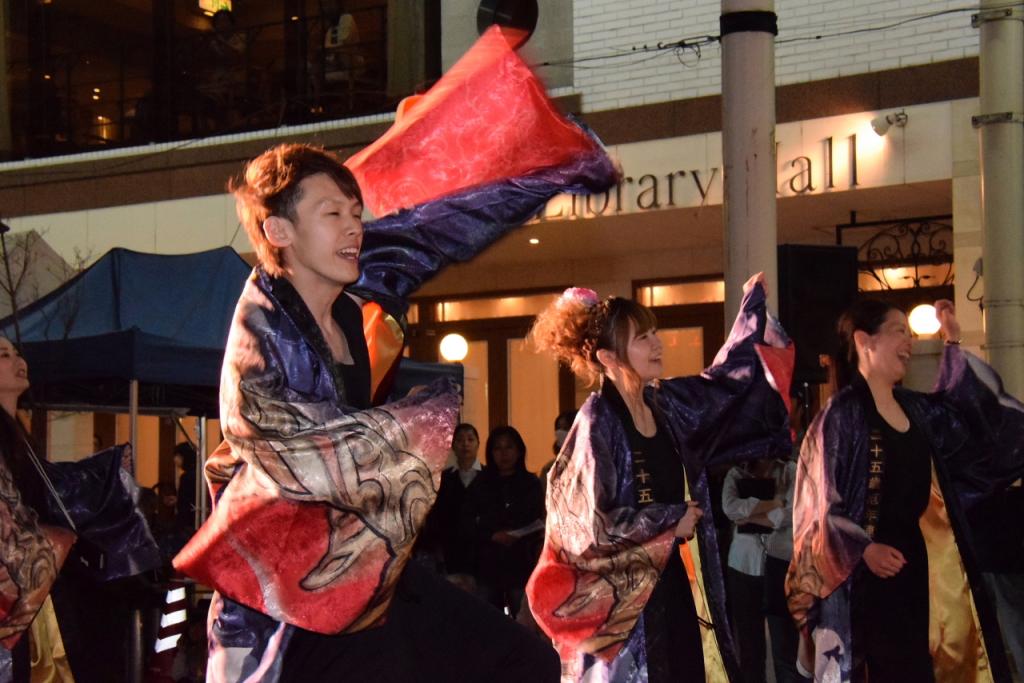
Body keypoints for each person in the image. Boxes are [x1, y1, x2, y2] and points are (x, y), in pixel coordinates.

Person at [527, 275, 793, 681]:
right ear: (608, 357)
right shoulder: (595, 424)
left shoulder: (665, 406)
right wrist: (670, 521)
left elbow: (722, 388)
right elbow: (587, 532)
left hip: (673, 590)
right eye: (641, 337)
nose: (657, 343)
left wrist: (751, 314)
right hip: (622, 612)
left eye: (654, 333)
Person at [786, 299, 1024, 682]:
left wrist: (953, 343)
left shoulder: (915, 409)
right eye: (899, 331)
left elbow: (967, 418)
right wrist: (864, 549)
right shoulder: (840, 416)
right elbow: (816, 508)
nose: (909, 342)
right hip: (859, 579)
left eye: (910, 334)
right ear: (865, 341)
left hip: (916, 570)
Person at [0, 336, 161, 681]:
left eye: (16, 351)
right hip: (15, 590)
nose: (17, 359)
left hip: (32, 584)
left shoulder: (14, 432)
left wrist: (106, 467)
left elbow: (48, 486)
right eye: (3, 355)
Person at [721, 458, 793, 683]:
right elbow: (730, 508)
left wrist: (750, 517)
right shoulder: (735, 473)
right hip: (742, 564)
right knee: (750, 643)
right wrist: (774, 503)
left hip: (779, 562)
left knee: (785, 644)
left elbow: (792, 512)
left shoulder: (788, 470)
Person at [469, 426, 544, 617]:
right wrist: (492, 534)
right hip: (488, 561)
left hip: (521, 560)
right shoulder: (481, 483)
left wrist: (514, 534)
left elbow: (536, 519)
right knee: (487, 619)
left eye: (509, 447)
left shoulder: (530, 483)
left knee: (522, 620)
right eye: (498, 448)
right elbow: (469, 519)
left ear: (519, 451)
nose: (504, 454)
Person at [418, 423, 483, 590]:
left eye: (470, 439)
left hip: (481, 549)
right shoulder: (443, 478)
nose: (465, 444)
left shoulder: (489, 476)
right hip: (450, 547)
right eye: (460, 440)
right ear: (453, 445)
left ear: (478, 443)